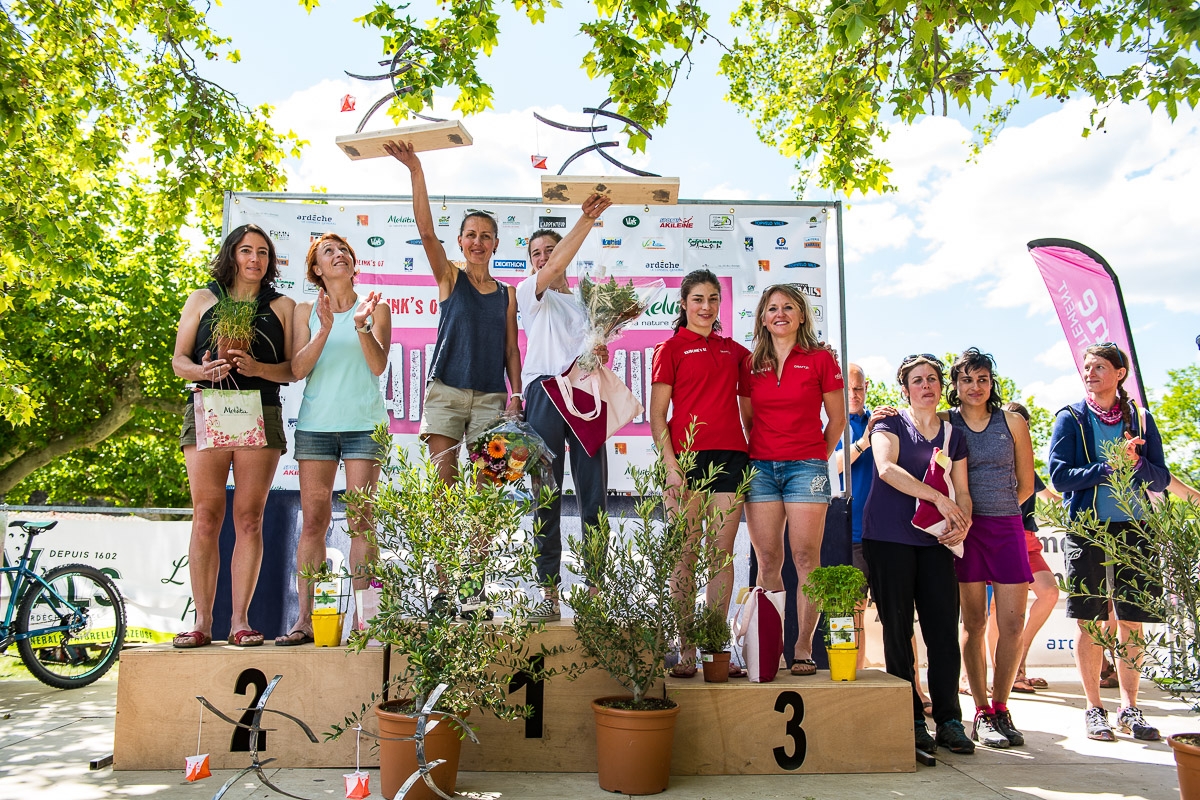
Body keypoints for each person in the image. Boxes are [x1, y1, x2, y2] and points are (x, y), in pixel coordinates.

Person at [171, 224, 296, 648]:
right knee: (206, 516)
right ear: (232, 255)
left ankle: (239, 621)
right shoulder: (202, 299)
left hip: (260, 410)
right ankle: (202, 622)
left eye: (263, 252)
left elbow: (293, 370)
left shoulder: (282, 305)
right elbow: (179, 362)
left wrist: (258, 368)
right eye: (247, 250)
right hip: (208, 408)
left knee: (249, 518)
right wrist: (203, 371)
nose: (255, 259)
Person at [1048, 342, 1170, 742]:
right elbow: (1059, 478)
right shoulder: (1070, 418)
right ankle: (1094, 708)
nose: (1090, 372)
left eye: (1099, 366)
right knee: (1091, 621)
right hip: (1089, 529)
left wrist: (1137, 464)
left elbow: (1161, 480)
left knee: (1132, 621)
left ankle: (1130, 708)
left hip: (1137, 529)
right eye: (1087, 367)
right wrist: (1106, 467)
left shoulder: (1142, 420)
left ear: (1120, 373)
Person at [383, 140, 522, 485]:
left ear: (495, 245)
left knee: (487, 492)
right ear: (460, 241)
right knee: (443, 488)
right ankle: (447, 542)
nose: (478, 242)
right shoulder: (449, 277)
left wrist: (516, 395)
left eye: (486, 236)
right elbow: (427, 232)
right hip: (446, 393)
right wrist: (416, 169)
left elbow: (510, 349)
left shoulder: (508, 293)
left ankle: (481, 545)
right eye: (471, 235)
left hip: (492, 398)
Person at [275, 233, 391, 645]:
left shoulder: (377, 307)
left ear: (353, 263)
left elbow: (377, 366)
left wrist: (360, 326)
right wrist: (324, 329)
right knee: (315, 523)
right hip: (316, 427)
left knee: (362, 522)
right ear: (317, 270)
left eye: (345, 250)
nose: (339, 255)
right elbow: (298, 368)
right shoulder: (305, 310)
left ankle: (367, 621)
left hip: (364, 425)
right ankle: (304, 621)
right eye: (329, 252)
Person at [863, 354, 973, 755]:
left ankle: (948, 720)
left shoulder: (953, 435)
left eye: (932, 379)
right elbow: (886, 468)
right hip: (889, 539)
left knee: (943, 631)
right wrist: (939, 500)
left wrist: (963, 520)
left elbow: (962, 490)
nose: (926, 385)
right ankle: (909, 719)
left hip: (936, 542)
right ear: (905, 389)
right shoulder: (888, 424)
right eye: (917, 380)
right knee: (897, 631)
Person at [651, 269, 752, 679]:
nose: (706, 306)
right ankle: (686, 647)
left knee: (720, 555)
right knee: (685, 554)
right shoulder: (670, 348)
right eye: (698, 299)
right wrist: (671, 466)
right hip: (686, 459)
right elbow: (658, 415)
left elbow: (760, 393)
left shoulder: (737, 352)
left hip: (731, 457)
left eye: (713, 298)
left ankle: (714, 647)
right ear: (684, 304)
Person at [741, 284, 845, 676]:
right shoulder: (751, 364)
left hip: (807, 467)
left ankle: (802, 647)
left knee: (805, 559)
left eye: (788, 307)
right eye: (772, 308)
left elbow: (836, 420)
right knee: (767, 561)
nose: (780, 313)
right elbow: (748, 420)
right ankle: (769, 650)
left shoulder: (820, 359)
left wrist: (816, 455)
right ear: (763, 318)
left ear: (802, 315)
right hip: (762, 469)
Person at [518, 194, 612, 622]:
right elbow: (552, 271)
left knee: (593, 495)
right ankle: (548, 592)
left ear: (566, 252)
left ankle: (595, 589)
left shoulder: (588, 304)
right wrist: (587, 217)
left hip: (586, 397)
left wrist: (599, 352)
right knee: (546, 496)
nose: (543, 259)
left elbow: (593, 353)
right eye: (535, 254)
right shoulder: (529, 292)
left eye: (550, 251)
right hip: (544, 394)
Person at [944, 349, 1035, 748]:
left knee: (1012, 624)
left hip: (1008, 527)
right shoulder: (947, 423)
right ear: (956, 386)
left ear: (992, 383)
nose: (975, 387)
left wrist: (1003, 510)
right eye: (967, 380)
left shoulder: (1012, 422)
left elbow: (1027, 482)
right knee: (975, 623)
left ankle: (1002, 706)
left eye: (982, 379)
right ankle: (980, 711)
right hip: (966, 532)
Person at [1001, 401, 1061, 694]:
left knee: (1049, 593)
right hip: (1001, 538)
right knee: (992, 615)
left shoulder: (1026, 463)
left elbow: (1051, 495)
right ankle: (1005, 674)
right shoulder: (994, 458)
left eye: (1024, 425)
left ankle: (1018, 662)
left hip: (1027, 539)